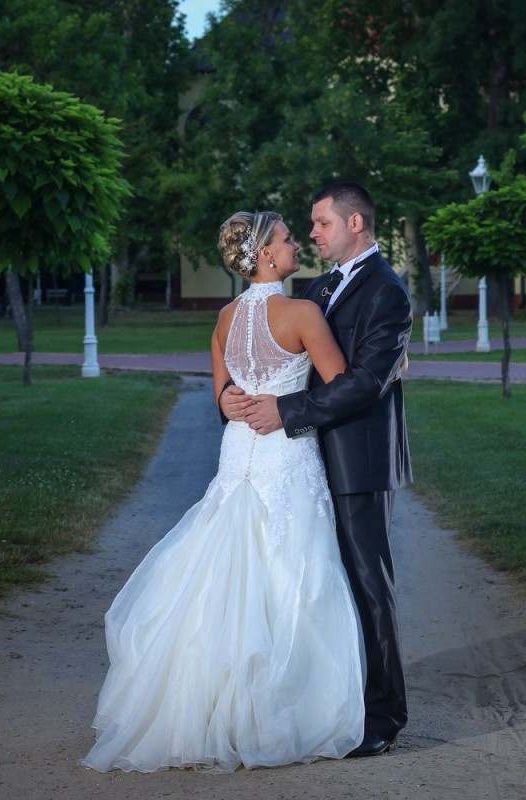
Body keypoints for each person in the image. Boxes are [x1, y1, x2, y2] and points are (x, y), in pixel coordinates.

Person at [82, 210, 366, 773]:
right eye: (287, 238)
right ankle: (287, 709)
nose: (296, 245)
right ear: (265, 254)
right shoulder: (302, 313)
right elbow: (339, 389)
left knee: (222, 571)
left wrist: (230, 401)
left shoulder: (224, 318)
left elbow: (224, 395)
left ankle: (208, 707)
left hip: (238, 452)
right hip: (285, 453)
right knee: (293, 574)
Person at [222, 182, 412, 758]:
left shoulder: (388, 292)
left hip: (356, 459)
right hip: (299, 459)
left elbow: (364, 382)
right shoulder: (320, 287)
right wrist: (228, 396)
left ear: (355, 224)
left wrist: (286, 411)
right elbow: (270, 349)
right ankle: (323, 700)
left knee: (367, 584)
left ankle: (383, 717)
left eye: (322, 224)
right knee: (307, 585)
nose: (311, 234)